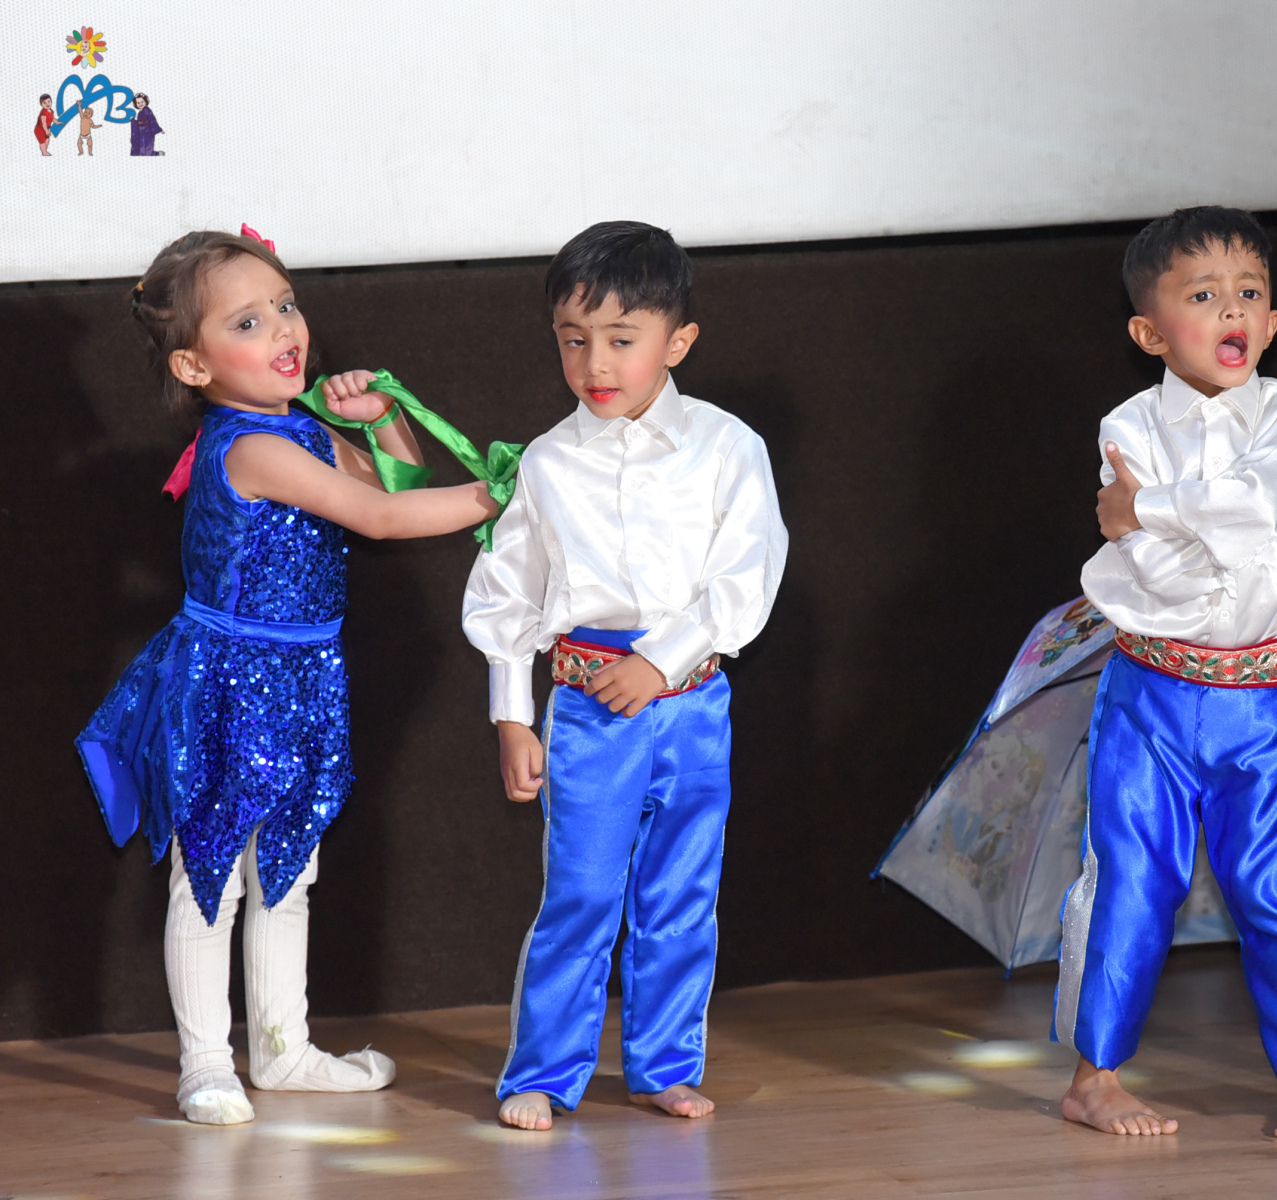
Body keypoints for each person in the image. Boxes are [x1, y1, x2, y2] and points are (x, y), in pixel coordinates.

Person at [75, 230, 499, 1125]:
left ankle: (282, 1048)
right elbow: (381, 518)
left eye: (286, 304)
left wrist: (378, 418)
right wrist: (502, 496)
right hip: (232, 683)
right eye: (248, 320)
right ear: (193, 365)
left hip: (303, 675)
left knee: (288, 865)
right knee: (211, 872)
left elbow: (394, 478)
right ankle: (204, 1062)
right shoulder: (248, 446)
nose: (283, 328)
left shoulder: (298, 427)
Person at [1056, 206, 1277, 1140]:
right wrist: (1272, 523)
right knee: (1127, 876)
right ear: (1150, 332)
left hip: (1260, 700)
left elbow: (1243, 500)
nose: (1231, 311)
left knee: (1269, 881)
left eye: (1248, 294)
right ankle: (1094, 1076)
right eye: (1202, 297)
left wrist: (1151, 509)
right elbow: (1162, 572)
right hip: (1150, 693)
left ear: (1272, 322)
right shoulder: (1128, 426)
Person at [463, 221, 787, 1132]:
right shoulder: (547, 461)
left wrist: (662, 661)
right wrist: (511, 715)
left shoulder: (726, 447)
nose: (594, 363)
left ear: (677, 342)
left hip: (691, 704)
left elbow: (748, 573)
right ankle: (542, 1073)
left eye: (620, 338)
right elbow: (506, 592)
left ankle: (664, 1066)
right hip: (589, 707)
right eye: (573, 340)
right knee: (580, 894)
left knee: (681, 894)